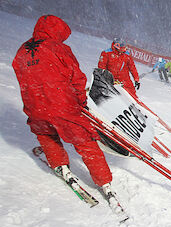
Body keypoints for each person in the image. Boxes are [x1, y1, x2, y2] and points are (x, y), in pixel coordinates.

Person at [12, 15, 123, 212]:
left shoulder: (22, 50)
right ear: (57, 31)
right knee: (84, 139)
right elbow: (77, 77)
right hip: (61, 104)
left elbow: (23, 76)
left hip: (34, 103)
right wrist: (80, 102)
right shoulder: (58, 48)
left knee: (46, 134)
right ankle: (104, 182)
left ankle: (60, 165)